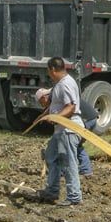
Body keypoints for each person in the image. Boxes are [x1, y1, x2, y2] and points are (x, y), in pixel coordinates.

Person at [30, 57, 84, 206]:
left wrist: (55, 117)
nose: (49, 74)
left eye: (48, 71)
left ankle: (74, 196)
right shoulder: (60, 84)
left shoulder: (66, 84)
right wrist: (42, 117)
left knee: (68, 162)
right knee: (51, 157)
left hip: (69, 129)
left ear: (53, 69)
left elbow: (71, 107)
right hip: (60, 131)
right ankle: (52, 190)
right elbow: (56, 105)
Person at [36, 89, 95, 177]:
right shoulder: (54, 96)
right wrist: (42, 116)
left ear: (44, 97)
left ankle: (84, 170)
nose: (42, 105)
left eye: (41, 103)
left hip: (87, 119)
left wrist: (54, 118)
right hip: (89, 117)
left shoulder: (55, 95)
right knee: (74, 144)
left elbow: (67, 108)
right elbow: (50, 108)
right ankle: (84, 170)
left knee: (74, 144)